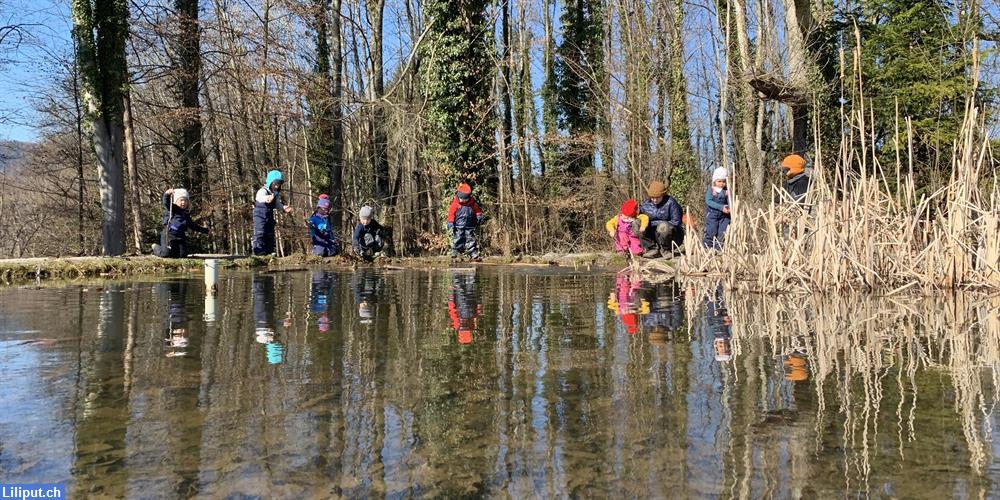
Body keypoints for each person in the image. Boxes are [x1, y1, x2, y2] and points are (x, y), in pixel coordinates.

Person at [153, 188, 209, 258]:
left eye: (185, 200)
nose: (183, 202)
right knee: (165, 253)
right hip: (169, 235)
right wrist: (167, 194)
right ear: (176, 201)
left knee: (182, 255)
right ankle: (155, 247)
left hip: (180, 237)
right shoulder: (172, 208)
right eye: (181, 200)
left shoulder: (186, 215)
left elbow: (194, 226)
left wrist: (206, 231)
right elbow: (166, 202)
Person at [253, 169, 294, 256]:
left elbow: (276, 204)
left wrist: (283, 207)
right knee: (260, 232)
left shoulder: (275, 193)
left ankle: (269, 251)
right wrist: (267, 199)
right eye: (275, 184)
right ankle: (259, 251)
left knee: (270, 233)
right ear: (270, 182)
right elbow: (259, 198)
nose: (276, 186)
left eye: (278, 184)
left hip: (269, 216)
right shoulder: (263, 191)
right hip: (260, 215)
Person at [639, 181, 684, 257]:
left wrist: (658, 223)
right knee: (636, 223)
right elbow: (640, 218)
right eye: (653, 198)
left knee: (663, 226)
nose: (655, 200)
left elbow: (676, 222)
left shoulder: (671, 203)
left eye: (658, 198)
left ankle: (666, 250)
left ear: (663, 195)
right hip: (653, 235)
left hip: (672, 236)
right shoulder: (645, 205)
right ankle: (652, 248)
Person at [447, 183, 483, 260]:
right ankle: (456, 252)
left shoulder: (472, 203)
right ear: (459, 196)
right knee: (458, 238)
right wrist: (450, 222)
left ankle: (473, 252)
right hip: (458, 226)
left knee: (470, 239)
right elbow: (451, 213)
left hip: (469, 225)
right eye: (462, 199)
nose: (463, 200)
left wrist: (478, 215)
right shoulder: (455, 204)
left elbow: (477, 210)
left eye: (465, 199)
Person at [448, 273, 482, 344]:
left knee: (466, 286)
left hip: (464, 303)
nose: (464, 323)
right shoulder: (461, 325)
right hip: (466, 303)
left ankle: (461, 274)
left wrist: (451, 301)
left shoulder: (458, 324)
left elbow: (453, 313)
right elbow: (453, 313)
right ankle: (465, 275)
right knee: (465, 286)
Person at [703, 167, 731, 250]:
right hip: (712, 214)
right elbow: (708, 201)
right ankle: (708, 247)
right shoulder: (711, 190)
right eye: (719, 181)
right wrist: (721, 207)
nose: (722, 183)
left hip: (724, 215)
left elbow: (729, 201)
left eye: (724, 181)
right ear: (714, 181)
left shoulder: (726, 191)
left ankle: (719, 248)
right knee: (711, 230)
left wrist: (729, 208)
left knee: (723, 232)